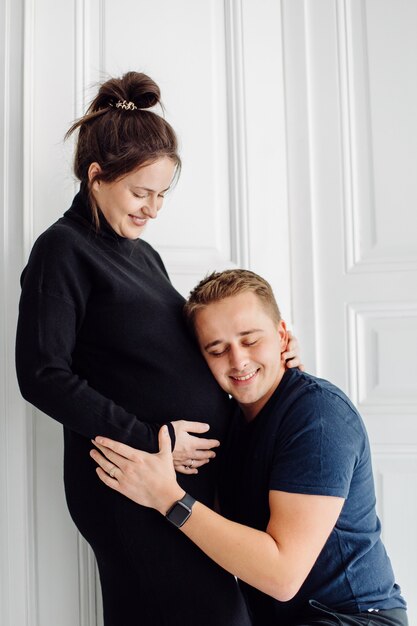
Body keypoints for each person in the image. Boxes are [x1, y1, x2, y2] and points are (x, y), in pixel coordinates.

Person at [15, 71, 302, 625]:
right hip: (133, 487)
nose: (152, 209)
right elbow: (41, 373)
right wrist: (153, 438)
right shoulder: (62, 250)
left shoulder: (142, 255)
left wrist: (267, 363)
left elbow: (177, 353)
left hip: (177, 488)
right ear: (96, 176)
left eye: (162, 195)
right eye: (140, 192)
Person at [90, 269, 408, 626]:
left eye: (251, 340)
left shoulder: (318, 416)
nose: (238, 360)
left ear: (282, 335)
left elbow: (282, 576)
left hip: (356, 619)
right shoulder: (231, 425)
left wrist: (168, 498)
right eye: (217, 349)